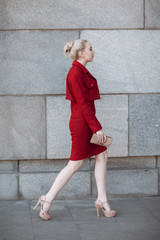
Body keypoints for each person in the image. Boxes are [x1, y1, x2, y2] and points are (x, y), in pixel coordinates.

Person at [33, 39, 116, 220]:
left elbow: (86, 106)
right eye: (91, 49)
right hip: (81, 125)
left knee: (102, 154)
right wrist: (97, 128)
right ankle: (47, 199)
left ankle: (102, 199)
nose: (93, 52)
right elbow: (83, 104)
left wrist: (95, 127)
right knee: (75, 163)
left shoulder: (81, 71)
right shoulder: (75, 73)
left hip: (87, 122)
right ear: (81, 53)